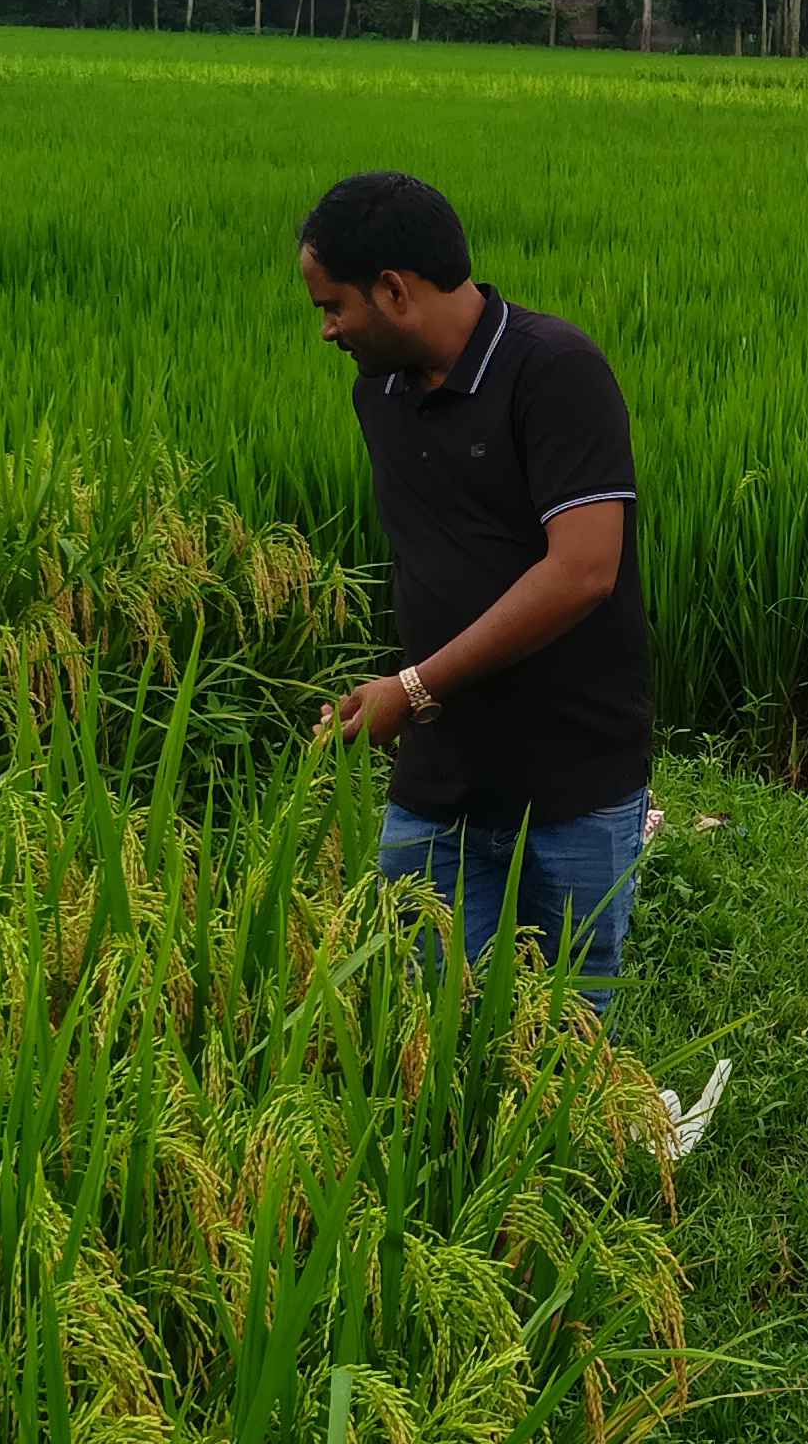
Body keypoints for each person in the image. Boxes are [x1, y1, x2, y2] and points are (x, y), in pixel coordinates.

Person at [299, 171, 655, 1015]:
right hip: (440, 780)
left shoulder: (554, 371)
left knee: (563, 1038)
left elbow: (583, 571)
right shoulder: (379, 393)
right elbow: (439, 562)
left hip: (573, 780)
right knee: (421, 1028)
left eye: (334, 305)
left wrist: (414, 687)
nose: (327, 330)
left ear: (394, 290)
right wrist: (399, 698)